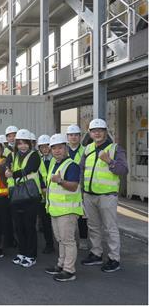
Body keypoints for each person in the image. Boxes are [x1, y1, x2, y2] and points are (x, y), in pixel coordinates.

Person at [80, 118, 128, 273]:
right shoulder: (87, 149)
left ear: (106, 132)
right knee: (93, 226)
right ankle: (96, 253)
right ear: (90, 133)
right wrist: (81, 192)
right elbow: (82, 171)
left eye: (100, 130)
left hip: (107, 196)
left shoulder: (115, 149)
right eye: (94, 131)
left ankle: (114, 258)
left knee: (110, 228)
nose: (97, 133)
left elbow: (123, 170)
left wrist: (109, 161)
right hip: (89, 195)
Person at [44, 134, 83, 282]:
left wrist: (60, 181)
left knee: (68, 241)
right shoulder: (55, 164)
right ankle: (61, 265)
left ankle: (69, 270)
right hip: (56, 210)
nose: (57, 151)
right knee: (61, 240)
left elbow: (73, 187)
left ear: (65, 148)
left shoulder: (71, 165)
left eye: (60, 147)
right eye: (54, 148)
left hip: (68, 210)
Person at [5, 129, 41, 268]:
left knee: (29, 226)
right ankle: (22, 252)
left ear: (30, 144)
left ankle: (31, 255)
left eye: (25, 143)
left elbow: (29, 169)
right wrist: (8, 170)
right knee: (18, 226)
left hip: (30, 195)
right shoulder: (12, 155)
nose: (22, 146)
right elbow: (7, 166)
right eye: (20, 143)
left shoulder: (34, 155)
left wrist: (12, 174)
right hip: (16, 194)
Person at [66, 124, 89, 250]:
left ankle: (83, 239)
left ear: (80, 137)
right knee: (68, 215)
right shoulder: (63, 151)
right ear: (67, 137)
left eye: (76, 135)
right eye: (71, 135)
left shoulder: (85, 150)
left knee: (82, 215)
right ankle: (70, 239)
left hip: (81, 187)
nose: (73, 137)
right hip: (67, 187)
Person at [37, 134, 55, 254]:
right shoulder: (38, 160)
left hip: (55, 194)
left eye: (46, 146)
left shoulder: (56, 159)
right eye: (42, 147)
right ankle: (49, 244)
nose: (44, 149)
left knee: (57, 222)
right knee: (46, 221)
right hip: (43, 195)